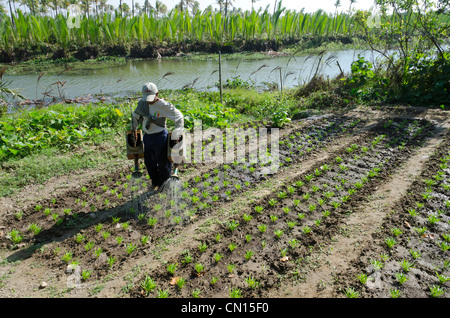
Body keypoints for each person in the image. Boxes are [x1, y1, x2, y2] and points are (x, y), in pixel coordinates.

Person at [131, 82, 184, 190]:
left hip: (160, 137)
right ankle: (155, 183)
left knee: (163, 163)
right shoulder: (142, 104)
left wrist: (177, 132)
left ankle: (164, 185)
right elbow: (135, 117)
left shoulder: (163, 105)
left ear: (157, 94)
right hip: (147, 137)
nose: (149, 100)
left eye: (151, 97)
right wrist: (134, 129)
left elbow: (179, 116)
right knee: (149, 163)